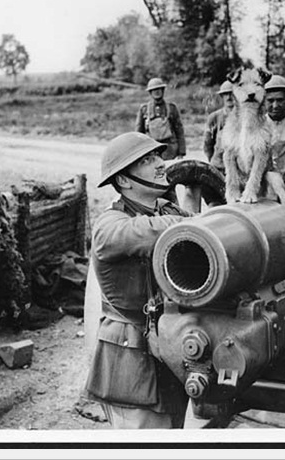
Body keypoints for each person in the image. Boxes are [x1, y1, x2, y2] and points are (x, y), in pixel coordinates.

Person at [83, 132, 191, 429]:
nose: (160, 164)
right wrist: (192, 222)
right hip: (131, 354)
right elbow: (141, 232)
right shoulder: (110, 223)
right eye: (147, 160)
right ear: (124, 181)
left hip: (168, 343)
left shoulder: (165, 210)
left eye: (158, 156)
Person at [135, 77, 186, 160]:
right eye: (154, 90)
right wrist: (139, 152)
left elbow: (179, 130)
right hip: (151, 148)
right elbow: (139, 133)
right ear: (150, 92)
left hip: (170, 150)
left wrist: (181, 152)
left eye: (159, 89)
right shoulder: (144, 109)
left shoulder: (171, 108)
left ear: (163, 90)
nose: (157, 92)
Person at [203, 80, 234, 174]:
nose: (229, 97)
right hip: (219, 166)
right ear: (222, 97)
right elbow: (208, 143)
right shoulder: (214, 117)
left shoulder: (244, 116)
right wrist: (213, 159)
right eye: (226, 94)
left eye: (231, 94)